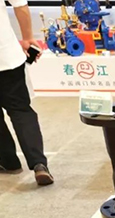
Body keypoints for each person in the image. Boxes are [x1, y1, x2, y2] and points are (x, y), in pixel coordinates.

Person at [0, 0, 53, 185]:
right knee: (21, 110)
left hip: (7, 55)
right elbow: (20, 5)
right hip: (6, 55)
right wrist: (28, 38)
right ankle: (39, 164)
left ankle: (8, 161)